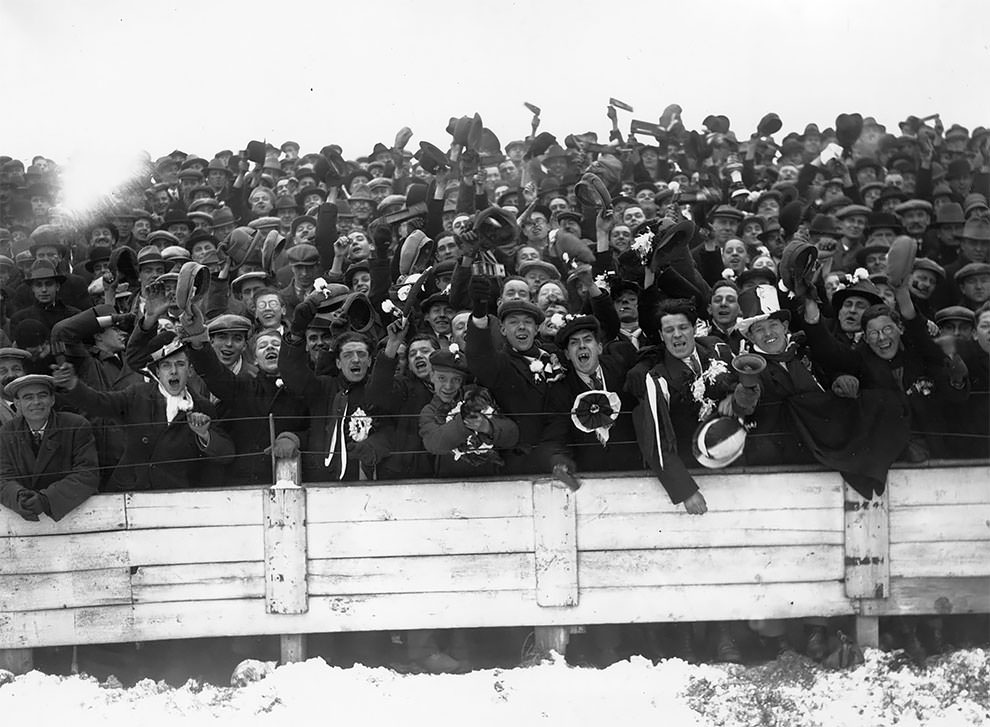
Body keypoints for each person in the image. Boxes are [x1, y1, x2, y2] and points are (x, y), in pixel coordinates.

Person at [53, 339, 235, 490]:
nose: (173, 371)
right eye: (166, 366)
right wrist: (73, 386)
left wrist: (204, 434)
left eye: (180, 364)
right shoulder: (137, 395)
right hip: (128, 493)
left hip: (175, 498)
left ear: (190, 370)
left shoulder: (202, 407)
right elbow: (99, 403)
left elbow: (226, 453)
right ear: (157, 372)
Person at [0, 373, 98, 521]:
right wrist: (19, 496)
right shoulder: (7, 432)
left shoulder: (75, 426)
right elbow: (3, 477)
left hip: (77, 516)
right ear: (17, 403)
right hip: (23, 523)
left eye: (42, 395)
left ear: (52, 400)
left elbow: (87, 474)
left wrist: (46, 500)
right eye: (28, 397)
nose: (36, 402)